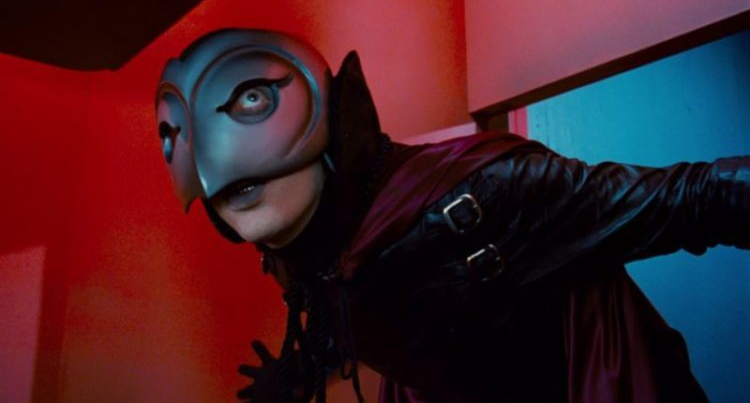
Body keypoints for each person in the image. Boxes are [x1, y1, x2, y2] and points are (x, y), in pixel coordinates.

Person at [155, 28, 750, 403]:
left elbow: (689, 199)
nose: (228, 180)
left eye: (251, 99)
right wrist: (296, 373)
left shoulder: (485, 192)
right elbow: (355, 315)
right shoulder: (305, 250)